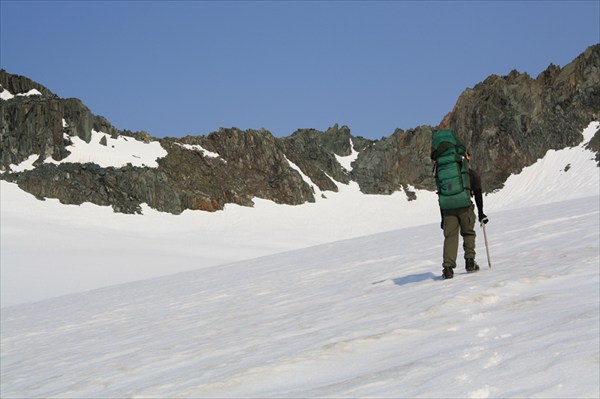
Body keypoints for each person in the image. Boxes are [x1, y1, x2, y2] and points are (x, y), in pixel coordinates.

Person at [440, 161, 489, 280]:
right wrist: (481, 212)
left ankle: (448, 269)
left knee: (450, 237)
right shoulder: (470, 174)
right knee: (468, 233)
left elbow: (442, 195)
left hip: (448, 210)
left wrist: (443, 218)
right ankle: (470, 262)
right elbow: (477, 193)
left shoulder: (443, 174)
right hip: (465, 208)